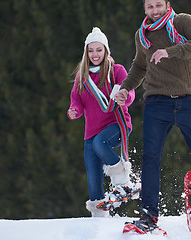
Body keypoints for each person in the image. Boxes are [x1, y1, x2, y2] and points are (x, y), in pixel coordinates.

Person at [115, 0, 191, 230]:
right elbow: (140, 66)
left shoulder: (182, 22)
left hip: (187, 101)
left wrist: (170, 51)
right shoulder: (142, 34)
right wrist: (125, 88)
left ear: (167, 3)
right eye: (149, 7)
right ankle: (149, 215)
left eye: (158, 5)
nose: (154, 10)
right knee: (150, 158)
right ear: (144, 9)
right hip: (156, 103)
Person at [68, 27, 137, 217]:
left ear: (106, 50)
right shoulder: (82, 77)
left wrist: (126, 97)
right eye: (91, 50)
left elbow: (129, 91)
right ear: (86, 53)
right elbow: (77, 100)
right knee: (92, 174)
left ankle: (122, 181)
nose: (95, 54)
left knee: (101, 143)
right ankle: (99, 216)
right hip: (91, 130)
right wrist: (74, 110)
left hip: (116, 125)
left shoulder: (116, 70)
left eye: (99, 50)